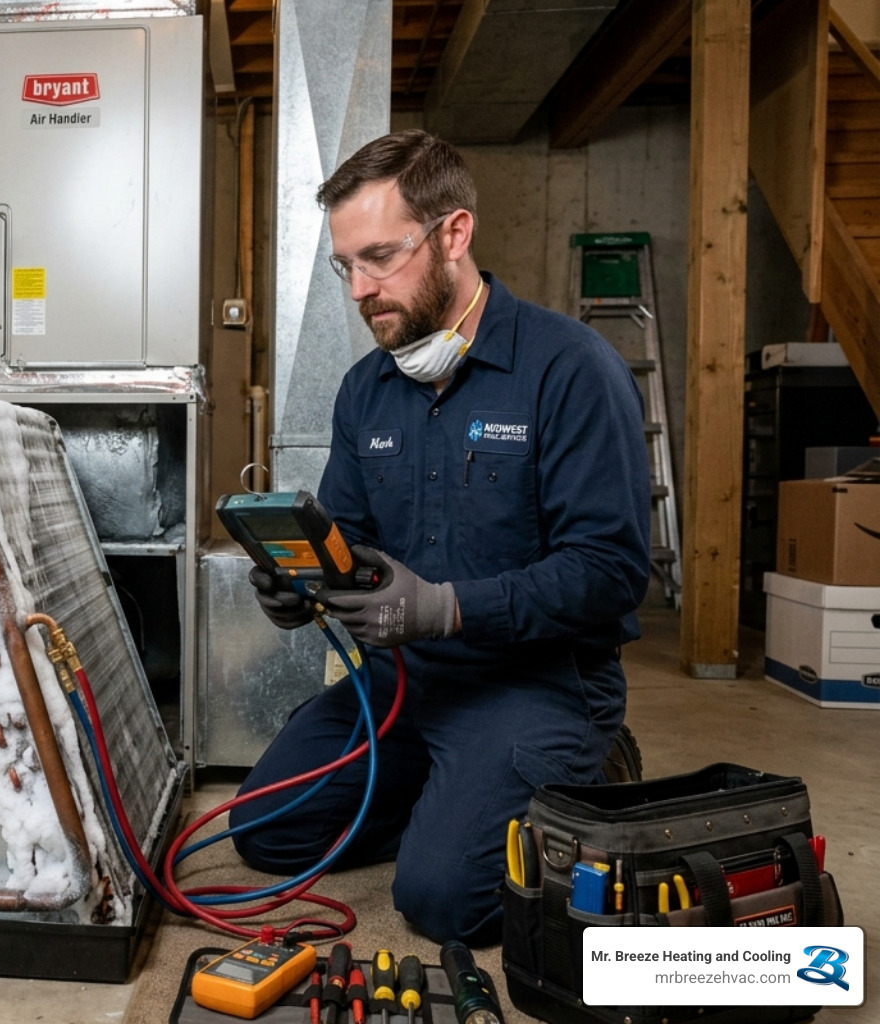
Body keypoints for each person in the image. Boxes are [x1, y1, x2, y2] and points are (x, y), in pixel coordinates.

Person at [231, 130, 652, 946]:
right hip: (403, 686)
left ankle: (585, 770)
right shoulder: (366, 392)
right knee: (266, 828)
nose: (360, 288)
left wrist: (446, 609)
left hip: (533, 685)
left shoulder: (569, 371)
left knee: (443, 901)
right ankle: (457, 802)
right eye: (345, 265)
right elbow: (346, 543)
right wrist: (298, 584)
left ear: (453, 234)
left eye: (380, 257)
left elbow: (609, 571)